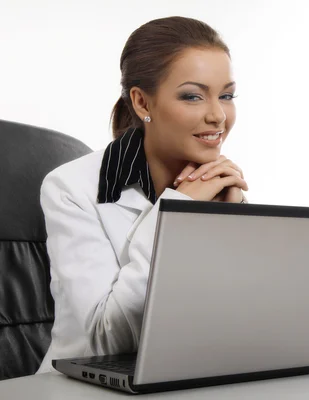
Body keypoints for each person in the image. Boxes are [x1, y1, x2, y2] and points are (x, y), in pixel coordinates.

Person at [36, 16, 248, 373]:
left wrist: (237, 220)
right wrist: (178, 215)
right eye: (193, 96)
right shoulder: (71, 188)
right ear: (142, 103)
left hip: (188, 375)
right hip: (82, 386)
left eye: (226, 95)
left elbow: (241, 321)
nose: (218, 116)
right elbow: (107, 341)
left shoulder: (220, 185)